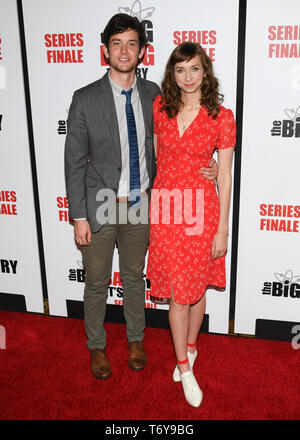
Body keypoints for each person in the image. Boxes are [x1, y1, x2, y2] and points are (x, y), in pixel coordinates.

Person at [65, 14, 217, 380]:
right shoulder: (84, 99)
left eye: (131, 43)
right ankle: (97, 347)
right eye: (117, 43)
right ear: (106, 51)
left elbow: (183, 134)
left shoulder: (155, 96)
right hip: (100, 202)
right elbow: (73, 160)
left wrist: (208, 162)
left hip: (140, 203)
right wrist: (79, 215)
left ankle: (136, 340)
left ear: (142, 51)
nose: (124, 50)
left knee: (134, 278)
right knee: (97, 282)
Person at [147, 42, 236, 407]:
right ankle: (184, 367)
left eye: (194, 69)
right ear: (173, 74)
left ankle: (191, 349)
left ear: (205, 72)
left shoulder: (222, 116)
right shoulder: (160, 108)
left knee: (196, 287)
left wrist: (222, 229)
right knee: (179, 294)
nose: (188, 76)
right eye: (180, 69)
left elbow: (226, 177)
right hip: (167, 212)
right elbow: (159, 156)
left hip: (203, 214)